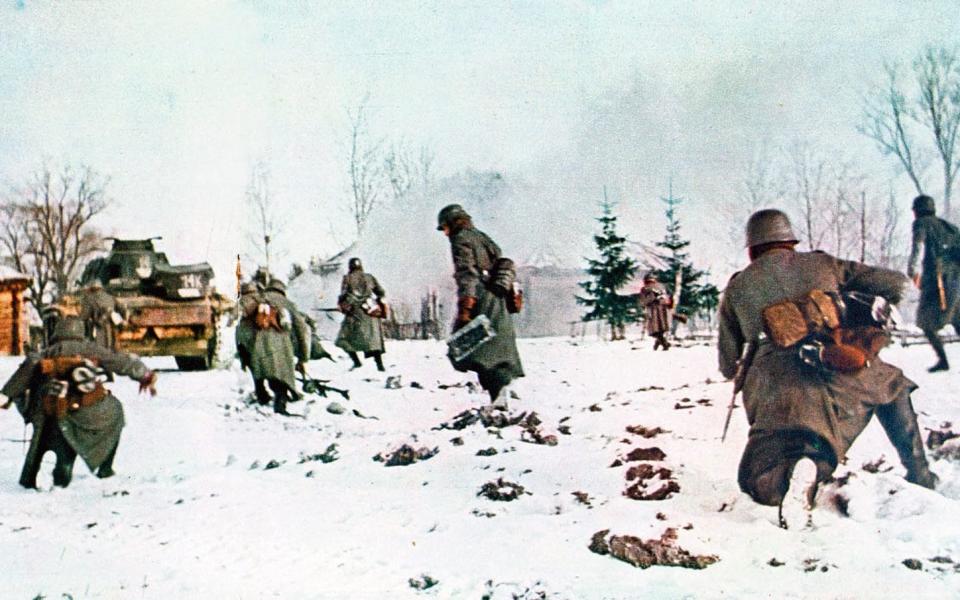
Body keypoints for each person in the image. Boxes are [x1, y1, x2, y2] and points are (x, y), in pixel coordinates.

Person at [718, 209, 937, 529]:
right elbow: (898, 285)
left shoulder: (737, 287)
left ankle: (793, 475)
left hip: (774, 397)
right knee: (892, 384)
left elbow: (727, 365)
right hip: (839, 372)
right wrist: (847, 307)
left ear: (752, 249)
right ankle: (919, 473)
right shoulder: (824, 264)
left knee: (757, 480)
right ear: (790, 242)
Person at [1, 316, 156, 489]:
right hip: (84, 409)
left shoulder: (45, 352)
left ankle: (38, 474)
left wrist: (7, 395)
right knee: (115, 410)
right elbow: (121, 362)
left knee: (40, 424)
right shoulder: (91, 349)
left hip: (47, 410)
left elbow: (24, 373)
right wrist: (145, 375)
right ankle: (104, 467)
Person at [437, 204, 524, 408]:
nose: (445, 233)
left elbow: (466, 274)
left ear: (451, 223)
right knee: (494, 349)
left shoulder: (460, 239)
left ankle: (498, 396)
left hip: (480, 298)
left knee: (476, 349)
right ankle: (500, 394)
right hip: (497, 299)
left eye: (444, 228)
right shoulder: (481, 236)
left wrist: (466, 308)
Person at [906, 194, 960, 372]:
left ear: (918, 211)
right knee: (956, 320)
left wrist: (912, 271)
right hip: (956, 281)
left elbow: (918, 247)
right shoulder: (950, 228)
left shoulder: (921, 223)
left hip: (937, 282)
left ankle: (943, 361)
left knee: (926, 323)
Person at [247, 278, 309, 415]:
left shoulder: (258, 300)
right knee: (282, 373)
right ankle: (280, 404)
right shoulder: (287, 303)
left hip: (259, 344)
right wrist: (303, 357)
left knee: (268, 371)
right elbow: (302, 330)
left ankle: (265, 396)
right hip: (280, 343)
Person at [334, 258, 387, 372]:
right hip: (370, 313)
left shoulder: (347, 278)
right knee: (373, 342)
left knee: (342, 339)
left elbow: (343, 295)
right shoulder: (369, 277)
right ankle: (380, 366)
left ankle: (356, 362)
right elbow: (381, 292)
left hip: (354, 314)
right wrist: (374, 303)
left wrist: (341, 305)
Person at [79, 280, 120, 349]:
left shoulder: (89, 299)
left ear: (91, 288)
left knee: (98, 351)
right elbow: (121, 310)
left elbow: (84, 316)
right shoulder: (111, 297)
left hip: (97, 329)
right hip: (111, 329)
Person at [638, 273, 672, 351]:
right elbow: (668, 297)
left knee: (654, 329)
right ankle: (659, 343)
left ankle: (664, 343)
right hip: (664, 309)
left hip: (654, 310)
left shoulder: (645, 288)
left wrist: (644, 304)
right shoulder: (661, 286)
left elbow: (647, 299)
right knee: (661, 328)